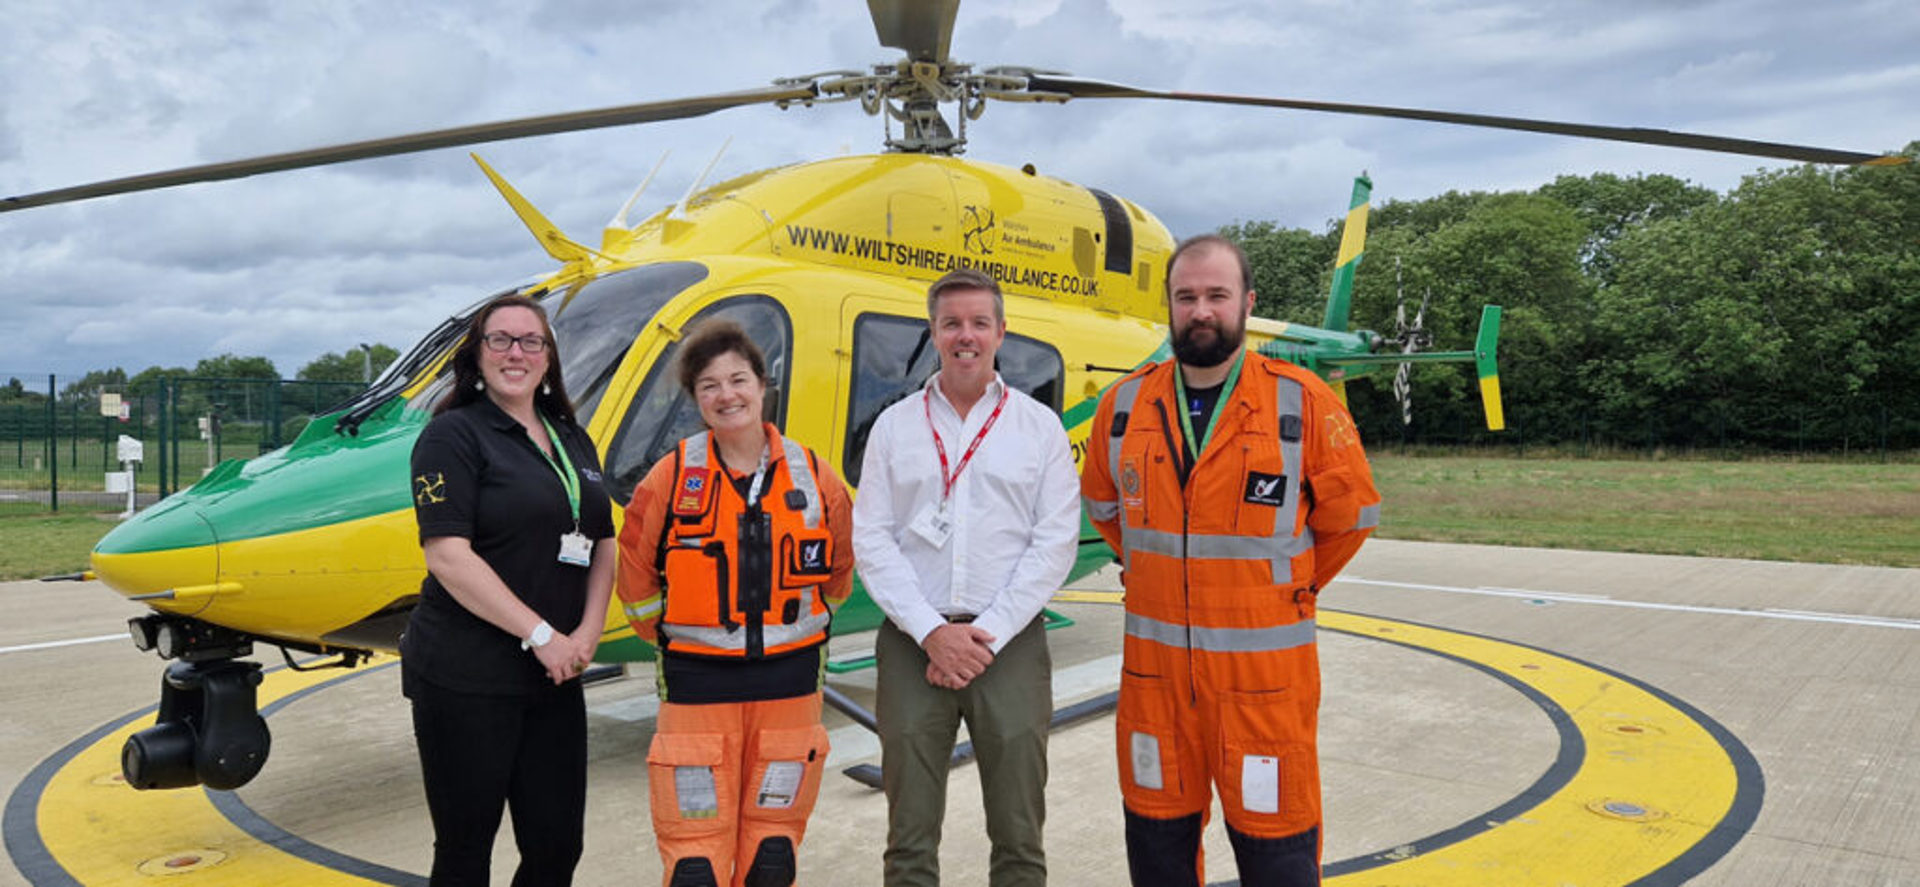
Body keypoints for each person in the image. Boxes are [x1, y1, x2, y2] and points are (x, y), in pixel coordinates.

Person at [1080, 234, 1381, 887]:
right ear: (1169, 305)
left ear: (1247, 302)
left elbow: (1348, 518)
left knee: (1279, 863)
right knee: (1157, 859)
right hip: (1155, 690)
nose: (1201, 310)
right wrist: (1163, 573)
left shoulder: (1302, 402)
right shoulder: (1124, 406)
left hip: (1263, 690)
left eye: (1216, 295)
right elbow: (1104, 506)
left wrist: (1282, 586)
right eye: (1186, 296)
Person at [852, 268, 1081, 887]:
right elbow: (871, 538)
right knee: (908, 839)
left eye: (980, 322)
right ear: (934, 332)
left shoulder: (1039, 428)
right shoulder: (895, 427)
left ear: (1001, 332)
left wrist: (987, 634)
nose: (966, 336)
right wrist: (931, 632)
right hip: (911, 646)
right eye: (951, 323)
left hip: (1008, 647)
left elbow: (1054, 541)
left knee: (1018, 835)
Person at [615, 320, 854, 887]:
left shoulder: (815, 475)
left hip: (790, 684)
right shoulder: (670, 478)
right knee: (694, 856)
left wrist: (795, 631)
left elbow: (839, 570)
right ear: (695, 400)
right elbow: (635, 571)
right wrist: (675, 637)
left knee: (773, 851)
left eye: (738, 379)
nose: (727, 395)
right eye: (710, 386)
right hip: (698, 687)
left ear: (761, 385)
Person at [405, 293, 617, 887]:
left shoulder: (571, 437)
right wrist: (543, 635)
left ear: (548, 357)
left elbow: (602, 540)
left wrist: (587, 633)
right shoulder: (452, 436)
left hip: (554, 675)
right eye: (501, 339)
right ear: (478, 354)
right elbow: (448, 555)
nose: (516, 352)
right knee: (466, 852)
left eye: (531, 341)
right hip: (466, 676)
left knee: (556, 847)